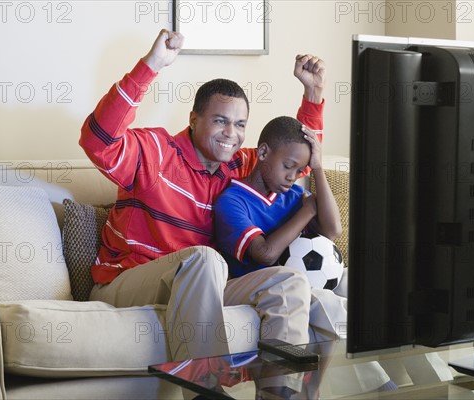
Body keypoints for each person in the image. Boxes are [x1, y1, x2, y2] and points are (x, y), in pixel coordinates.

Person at [79, 28, 329, 363]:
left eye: (240, 124)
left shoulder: (240, 166)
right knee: (205, 259)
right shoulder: (156, 152)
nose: (232, 134)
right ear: (194, 119)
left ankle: (280, 390)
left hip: (202, 288)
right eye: (221, 121)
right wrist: (150, 65)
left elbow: (295, 164)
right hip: (129, 282)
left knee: (289, 282)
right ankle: (207, 388)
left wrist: (313, 94)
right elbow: (98, 142)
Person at [214, 116, 348, 340]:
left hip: (303, 279)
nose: (292, 177)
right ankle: (377, 364)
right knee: (324, 301)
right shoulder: (232, 200)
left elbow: (333, 230)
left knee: (349, 280)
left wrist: (317, 169)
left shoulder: (293, 194)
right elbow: (265, 254)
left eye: (299, 171)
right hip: (263, 284)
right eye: (288, 166)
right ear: (264, 153)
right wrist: (307, 211)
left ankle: (400, 361)